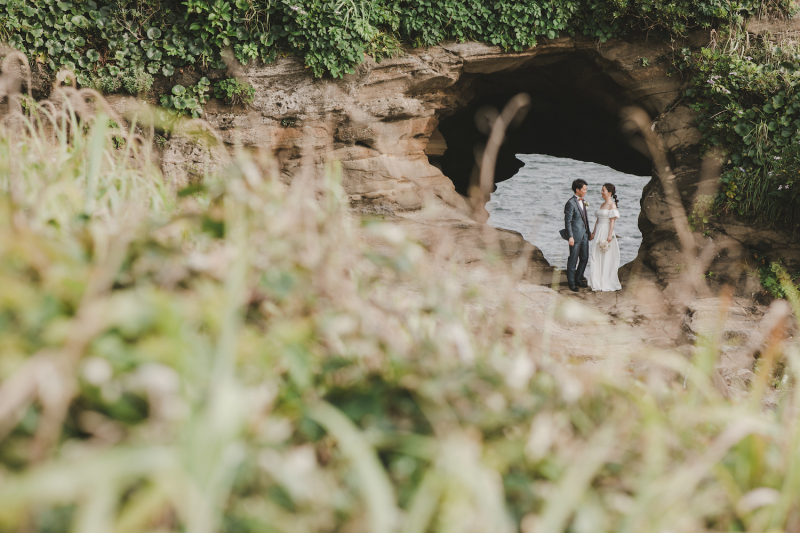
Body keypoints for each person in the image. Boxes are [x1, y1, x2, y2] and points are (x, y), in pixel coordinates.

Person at [587, 183, 622, 292]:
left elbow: (612, 222)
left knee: (606, 257)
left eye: (603, 190)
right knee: (595, 255)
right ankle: (595, 281)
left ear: (609, 193)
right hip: (598, 231)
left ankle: (605, 281)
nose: (601, 192)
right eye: (601, 190)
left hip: (607, 231)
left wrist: (609, 236)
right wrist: (593, 233)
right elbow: (597, 221)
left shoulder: (612, 205)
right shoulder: (602, 205)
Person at [562, 178, 593, 292]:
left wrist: (589, 232)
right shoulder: (570, 203)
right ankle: (571, 283)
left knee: (584, 258)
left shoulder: (583, 201)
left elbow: (585, 219)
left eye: (585, 189)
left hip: (584, 235)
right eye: (584, 189)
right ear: (577, 190)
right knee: (573, 259)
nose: (585, 191)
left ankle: (579, 279)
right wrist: (570, 236)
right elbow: (567, 221)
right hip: (574, 236)